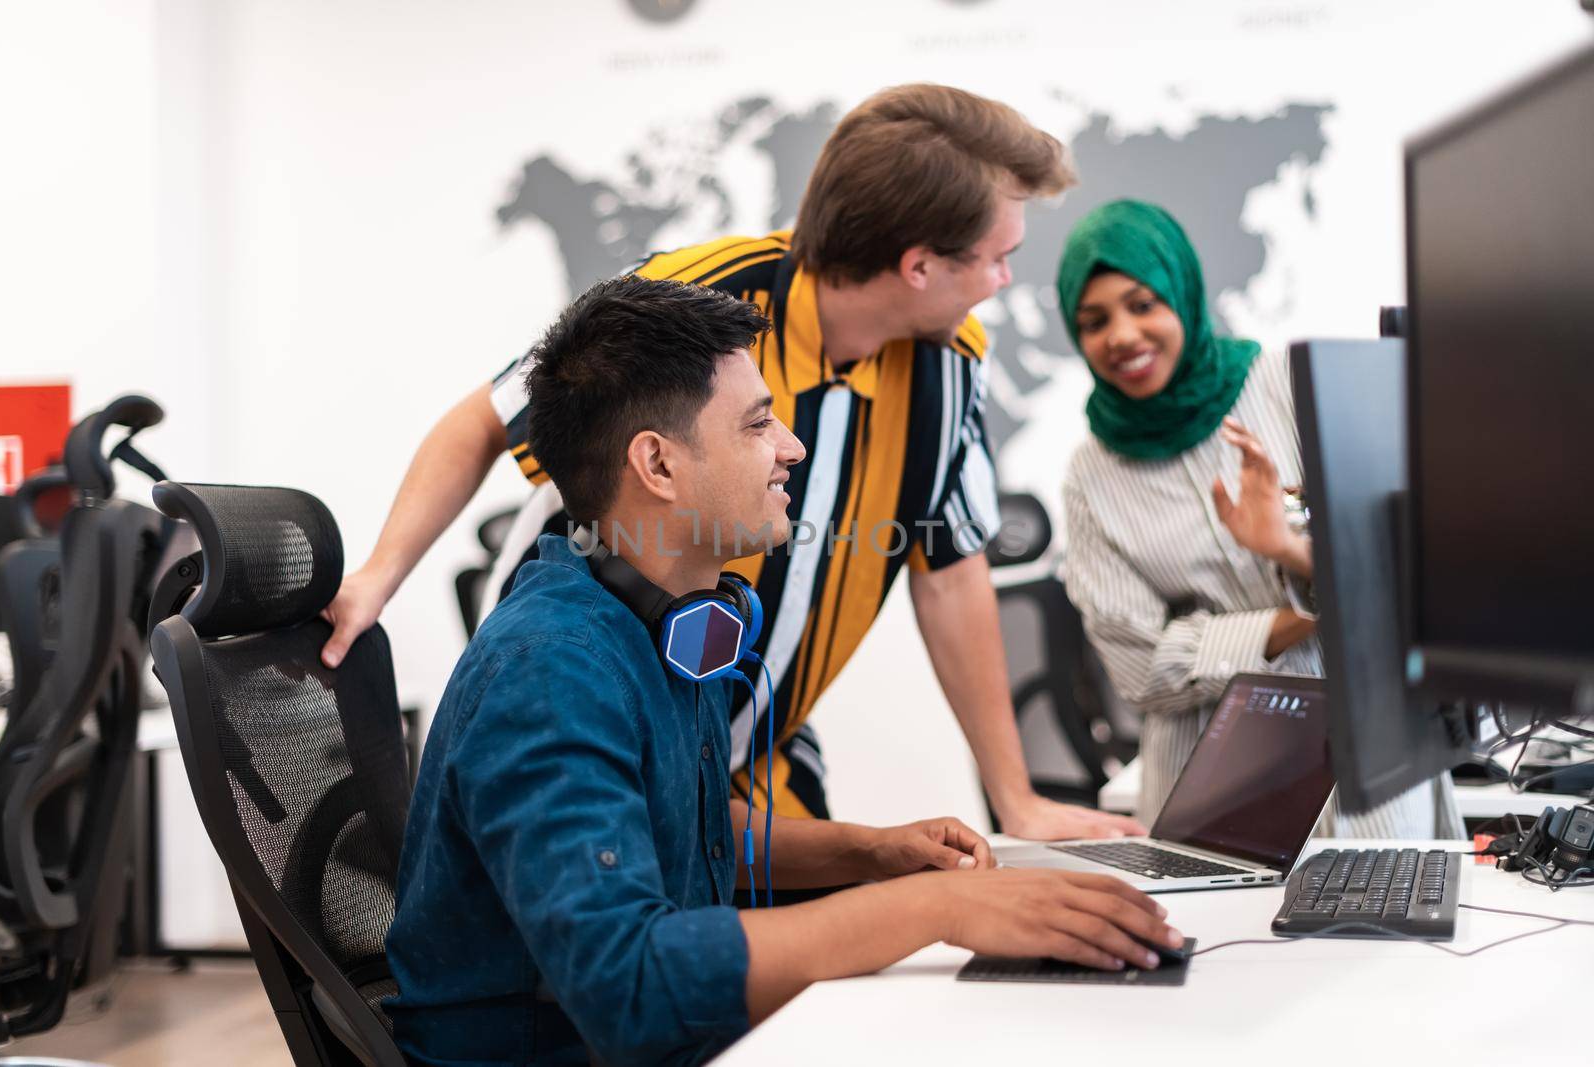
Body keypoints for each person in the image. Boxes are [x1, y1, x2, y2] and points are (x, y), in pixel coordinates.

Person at [383, 276, 1184, 1067]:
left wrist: (866, 852)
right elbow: (628, 986)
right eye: (759, 423)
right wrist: (940, 906)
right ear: (658, 464)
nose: (792, 447)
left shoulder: (656, 615)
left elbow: (676, 819)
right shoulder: (552, 672)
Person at [323, 83, 1146, 841]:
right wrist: (377, 577)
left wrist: (1018, 800)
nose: (1005, 280)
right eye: (998, 257)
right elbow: (486, 419)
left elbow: (951, 568)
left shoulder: (951, 359)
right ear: (919, 264)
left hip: (756, 756)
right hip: (604, 739)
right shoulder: (695, 301)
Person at [1054, 199, 1460, 834]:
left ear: (1182, 295)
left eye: (1143, 304)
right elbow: (1142, 672)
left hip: (1362, 758)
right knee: (1211, 933)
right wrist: (1303, 610)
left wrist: (1292, 554)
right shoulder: (1091, 474)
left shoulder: (1289, 386)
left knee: (1387, 924)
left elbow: (1401, 565)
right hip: (1211, 784)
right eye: (1094, 320)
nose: (1122, 336)